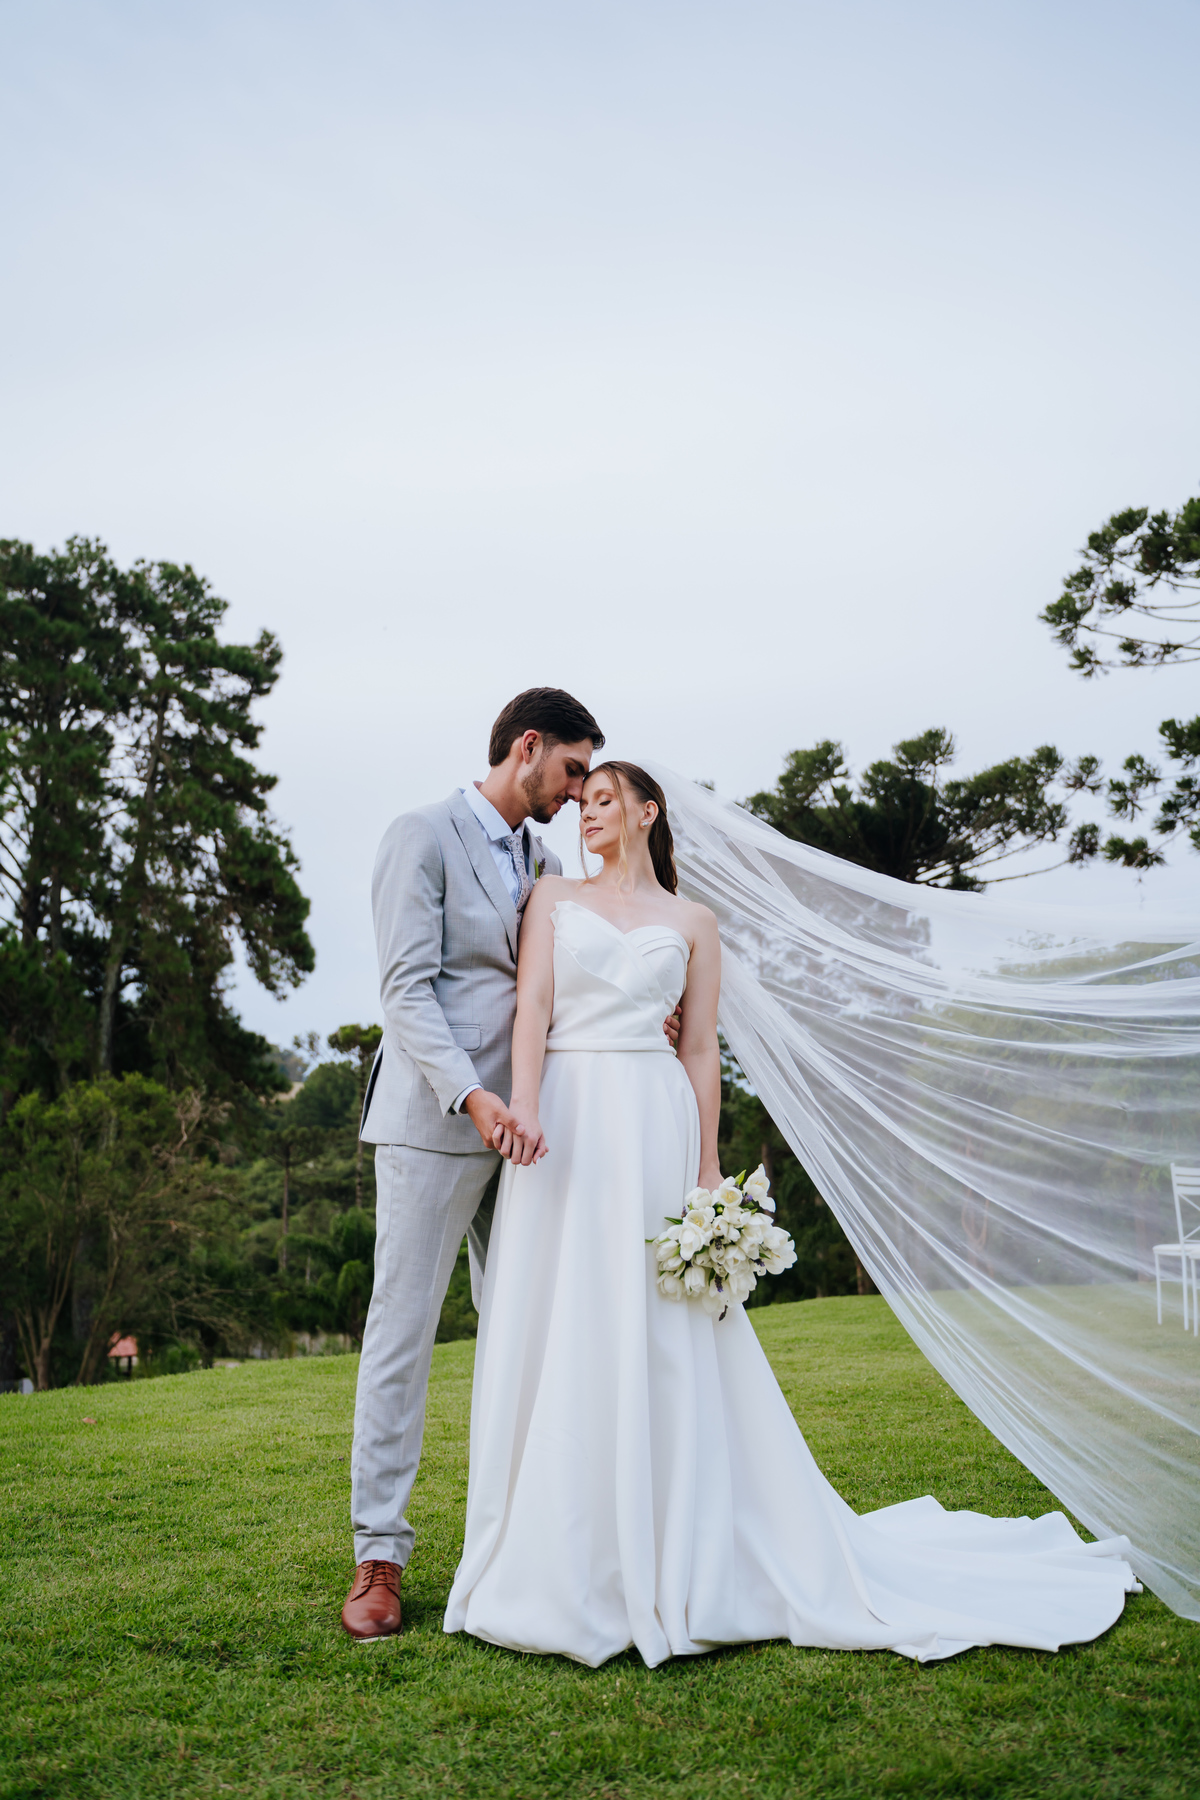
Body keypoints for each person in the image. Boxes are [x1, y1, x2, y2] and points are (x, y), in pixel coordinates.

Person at [443, 761, 1138, 1666]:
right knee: (563, 1313)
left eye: (606, 799)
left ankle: (676, 1534)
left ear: (649, 811)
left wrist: (706, 1168)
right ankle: (560, 1551)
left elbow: (698, 1049)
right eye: (583, 806)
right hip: (567, 1119)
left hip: (652, 1121)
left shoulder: (693, 923)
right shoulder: (551, 898)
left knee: (659, 1324)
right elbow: (533, 1007)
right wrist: (527, 1105)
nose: (589, 815)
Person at [340, 688, 602, 1640]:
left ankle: (531, 1540)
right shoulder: (420, 835)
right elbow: (406, 992)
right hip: (434, 1123)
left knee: (527, 1328)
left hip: (528, 1131)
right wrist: (473, 1097)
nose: (578, 792)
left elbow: (548, 991)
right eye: (571, 769)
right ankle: (380, 1554)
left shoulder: (544, 864)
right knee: (402, 1335)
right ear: (527, 746)